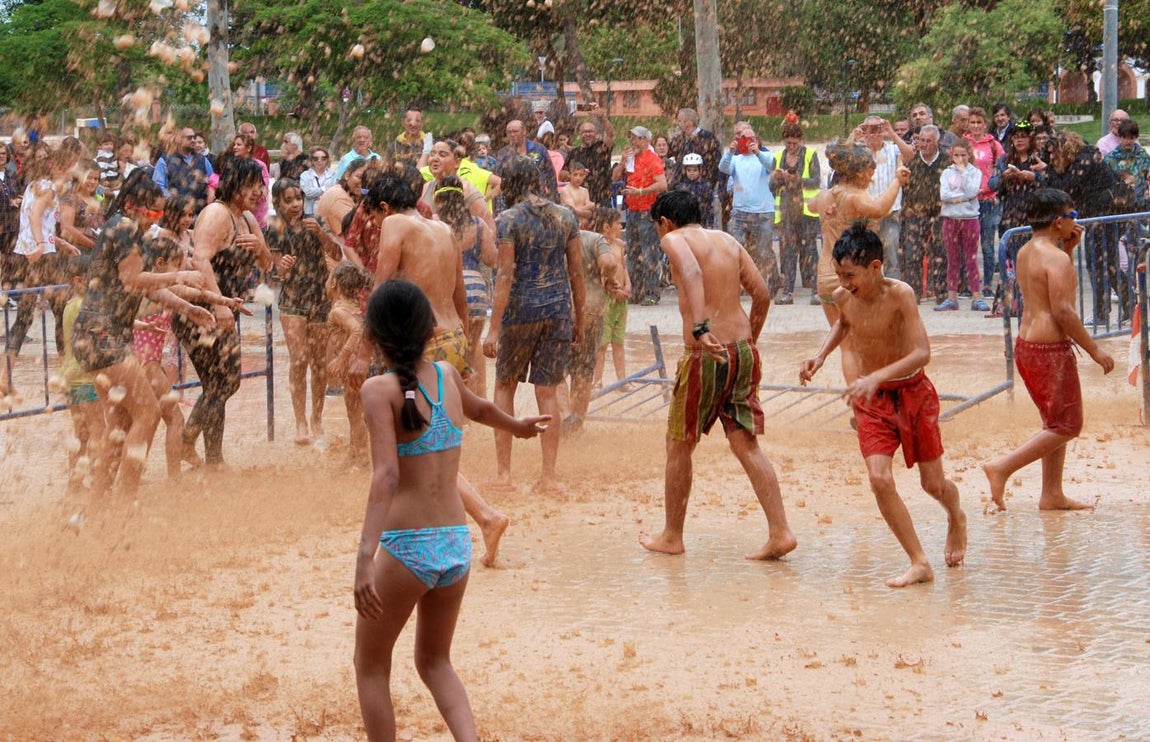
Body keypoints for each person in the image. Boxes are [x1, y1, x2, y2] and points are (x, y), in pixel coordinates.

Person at [352, 279, 548, 742]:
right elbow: (480, 410)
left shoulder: (377, 391)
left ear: (374, 334)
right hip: (455, 545)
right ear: (430, 329)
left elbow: (386, 477)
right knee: (435, 661)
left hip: (407, 547)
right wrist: (516, 425)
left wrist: (364, 557)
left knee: (370, 666)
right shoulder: (445, 375)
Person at [800, 223, 966, 587]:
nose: (844, 284)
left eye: (851, 275)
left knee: (933, 484)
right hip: (873, 402)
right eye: (840, 275)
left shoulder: (901, 294)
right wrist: (820, 356)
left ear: (875, 267)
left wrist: (876, 376)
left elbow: (923, 353)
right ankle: (919, 561)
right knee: (878, 478)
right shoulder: (844, 297)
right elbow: (844, 324)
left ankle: (956, 515)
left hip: (912, 395)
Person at [638, 190, 795, 560]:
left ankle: (672, 536)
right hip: (742, 351)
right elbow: (762, 294)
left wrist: (700, 327)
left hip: (704, 353)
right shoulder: (726, 239)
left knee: (678, 444)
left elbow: (691, 271)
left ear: (665, 222)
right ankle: (781, 531)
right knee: (745, 443)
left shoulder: (674, 239)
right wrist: (748, 341)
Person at [368, 173, 513, 566]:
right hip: (451, 337)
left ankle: (483, 516)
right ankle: (472, 519)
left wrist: (363, 344)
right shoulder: (445, 228)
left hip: (421, 343)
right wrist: (463, 348)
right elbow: (458, 295)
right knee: (438, 445)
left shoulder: (394, 224)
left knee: (418, 450)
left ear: (383, 208)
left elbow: (381, 290)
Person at [71, 177, 219, 495]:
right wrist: (180, 273)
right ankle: (125, 500)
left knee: (121, 426)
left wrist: (187, 308)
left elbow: (145, 287)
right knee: (149, 412)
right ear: (133, 204)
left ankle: (99, 505)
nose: (156, 218)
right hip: (103, 335)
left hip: (96, 335)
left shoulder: (121, 227)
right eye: (153, 212)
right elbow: (134, 278)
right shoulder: (125, 227)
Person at [982, 189, 1115, 512]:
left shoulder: (1028, 250)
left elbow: (1047, 293)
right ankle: (1002, 467)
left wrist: (1067, 250)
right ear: (1059, 221)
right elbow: (1064, 312)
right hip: (1049, 348)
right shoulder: (1055, 258)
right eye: (1073, 216)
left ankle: (1052, 493)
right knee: (1069, 425)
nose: (1076, 222)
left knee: (1054, 422)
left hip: (1028, 345)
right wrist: (1095, 350)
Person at [483, 155, 585, 493]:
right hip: (558, 310)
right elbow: (576, 273)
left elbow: (506, 275)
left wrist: (494, 328)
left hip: (521, 312)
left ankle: (503, 473)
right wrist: (579, 318)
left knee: (504, 386)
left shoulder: (508, 219)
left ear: (510, 184)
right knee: (548, 392)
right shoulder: (565, 215)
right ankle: (549, 477)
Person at [175, 158, 274, 468]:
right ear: (234, 185)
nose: (259, 191)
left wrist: (259, 248)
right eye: (252, 185)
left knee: (229, 382)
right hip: (200, 309)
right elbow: (201, 260)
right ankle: (213, 458)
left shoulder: (246, 219)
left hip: (226, 309)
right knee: (217, 384)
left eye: (260, 185)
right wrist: (217, 304)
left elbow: (267, 264)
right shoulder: (216, 214)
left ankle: (187, 439)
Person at [267, 178, 341, 445]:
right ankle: (300, 422)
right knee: (298, 359)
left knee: (319, 363)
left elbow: (337, 253)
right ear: (278, 202)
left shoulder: (316, 222)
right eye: (288, 200)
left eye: (298, 198)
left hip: (320, 298)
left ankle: (317, 418)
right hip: (292, 300)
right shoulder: (275, 227)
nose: (295, 204)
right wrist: (283, 266)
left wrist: (321, 234)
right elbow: (276, 275)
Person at [435, 175, 496, 399]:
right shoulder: (477, 223)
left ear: (438, 199)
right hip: (476, 290)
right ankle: (477, 402)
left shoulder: (433, 223)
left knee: (446, 351)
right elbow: (491, 259)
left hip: (446, 290)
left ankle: (450, 403)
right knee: (471, 349)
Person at [563, 211, 618, 432]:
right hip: (591, 311)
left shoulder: (552, 238)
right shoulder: (593, 238)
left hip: (560, 311)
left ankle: (563, 414)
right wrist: (607, 277)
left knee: (554, 371)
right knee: (583, 371)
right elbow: (609, 262)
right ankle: (576, 423)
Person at [851, 116, 914, 279]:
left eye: (877, 129)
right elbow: (839, 160)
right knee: (863, 258)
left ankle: (893, 296)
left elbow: (910, 155)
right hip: (865, 214)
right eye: (869, 129)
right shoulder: (858, 150)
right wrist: (853, 137)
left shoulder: (893, 149)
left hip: (889, 213)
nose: (873, 133)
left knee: (891, 257)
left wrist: (892, 133)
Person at [720, 123, 779, 295]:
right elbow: (723, 168)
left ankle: (773, 282)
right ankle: (740, 283)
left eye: (750, 138)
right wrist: (730, 151)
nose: (746, 141)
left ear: (757, 140)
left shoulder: (765, 155)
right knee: (736, 250)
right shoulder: (736, 159)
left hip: (763, 212)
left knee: (763, 250)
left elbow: (772, 164)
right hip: (740, 212)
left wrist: (757, 151)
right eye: (742, 138)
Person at [325, 260, 375, 462]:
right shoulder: (355, 307)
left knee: (355, 414)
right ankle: (354, 452)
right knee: (358, 412)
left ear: (334, 284)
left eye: (328, 278)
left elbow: (357, 330)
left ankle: (361, 455)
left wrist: (340, 358)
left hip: (354, 369)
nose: (326, 282)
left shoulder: (339, 311)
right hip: (361, 367)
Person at [611, 125, 667, 305]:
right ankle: (636, 290)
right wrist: (622, 162)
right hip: (632, 210)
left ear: (645, 140)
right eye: (631, 138)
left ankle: (651, 292)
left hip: (648, 210)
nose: (632, 142)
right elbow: (614, 178)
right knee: (634, 252)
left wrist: (641, 191)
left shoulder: (653, 159)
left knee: (649, 252)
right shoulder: (631, 159)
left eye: (636, 138)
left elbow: (662, 185)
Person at [769, 122, 821, 305]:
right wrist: (776, 178)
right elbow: (772, 188)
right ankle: (788, 292)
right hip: (788, 212)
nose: (791, 146)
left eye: (794, 143)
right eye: (788, 143)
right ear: (783, 141)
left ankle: (816, 291)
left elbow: (816, 181)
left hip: (807, 212)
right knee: (788, 253)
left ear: (801, 140)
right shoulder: (778, 157)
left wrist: (797, 180)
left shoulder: (810, 155)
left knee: (811, 252)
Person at [899, 124, 947, 304]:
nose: (924, 144)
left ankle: (941, 295)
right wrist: (907, 207)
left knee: (940, 255)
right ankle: (914, 295)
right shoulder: (912, 161)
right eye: (922, 140)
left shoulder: (946, 161)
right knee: (912, 256)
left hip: (939, 215)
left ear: (937, 142)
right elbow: (903, 186)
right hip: (915, 214)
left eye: (928, 141)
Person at [935, 139, 985, 312]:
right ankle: (951, 297)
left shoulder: (975, 172)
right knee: (952, 259)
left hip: (970, 218)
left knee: (971, 258)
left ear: (969, 155)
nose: (959, 159)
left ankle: (976, 296)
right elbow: (944, 195)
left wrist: (964, 175)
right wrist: (964, 197)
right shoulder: (946, 173)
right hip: (950, 218)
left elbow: (972, 190)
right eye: (956, 155)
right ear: (952, 155)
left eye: (963, 155)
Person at [963, 108, 1005, 299]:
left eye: (979, 122)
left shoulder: (994, 145)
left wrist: (990, 186)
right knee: (968, 244)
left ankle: (987, 283)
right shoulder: (963, 144)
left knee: (987, 245)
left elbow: (1000, 168)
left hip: (988, 200)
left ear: (985, 124)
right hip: (968, 200)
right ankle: (970, 282)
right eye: (972, 122)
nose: (976, 126)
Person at [592, 207, 630, 390]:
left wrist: (628, 285)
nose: (621, 226)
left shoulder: (620, 245)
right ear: (606, 227)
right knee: (602, 343)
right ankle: (597, 380)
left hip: (622, 297)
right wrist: (614, 291)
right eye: (617, 223)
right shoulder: (600, 245)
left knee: (618, 341)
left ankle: (622, 380)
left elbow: (623, 266)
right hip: (607, 298)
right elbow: (601, 274)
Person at [152, 126, 214, 215]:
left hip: (200, 215)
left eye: (194, 137)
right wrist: (175, 202)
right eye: (189, 138)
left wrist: (211, 190)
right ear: (178, 139)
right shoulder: (165, 160)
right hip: (174, 215)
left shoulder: (202, 160)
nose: (193, 140)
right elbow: (158, 186)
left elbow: (213, 177)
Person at [561, 104, 614, 206]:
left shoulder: (602, 148)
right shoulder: (574, 153)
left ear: (596, 133)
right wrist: (577, 175)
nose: (587, 134)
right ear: (580, 135)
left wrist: (602, 117)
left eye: (590, 131)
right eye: (584, 132)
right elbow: (561, 175)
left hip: (602, 198)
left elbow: (611, 134)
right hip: (580, 200)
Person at [675, 152, 715, 233]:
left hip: (701, 221)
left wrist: (710, 224)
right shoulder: (681, 187)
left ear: (700, 171)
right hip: (685, 222)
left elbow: (709, 206)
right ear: (685, 171)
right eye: (689, 170)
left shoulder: (705, 186)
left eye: (695, 170)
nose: (692, 172)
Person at [299, 147, 338, 218]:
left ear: (327, 159)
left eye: (323, 158)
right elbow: (308, 193)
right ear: (311, 160)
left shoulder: (333, 174)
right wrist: (325, 189)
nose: (319, 161)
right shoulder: (305, 175)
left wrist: (316, 195)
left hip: (328, 212)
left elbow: (334, 193)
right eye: (316, 158)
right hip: (309, 212)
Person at [558, 160, 594, 226]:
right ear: (569, 175)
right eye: (575, 175)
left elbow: (589, 214)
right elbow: (572, 211)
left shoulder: (585, 191)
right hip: (571, 226)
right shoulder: (565, 190)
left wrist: (578, 210)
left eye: (581, 175)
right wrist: (588, 206)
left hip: (584, 226)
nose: (578, 178)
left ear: (584, 176)